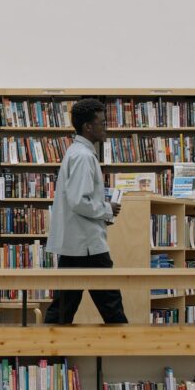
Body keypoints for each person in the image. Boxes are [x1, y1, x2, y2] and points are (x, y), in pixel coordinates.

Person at [43, 98, 128, 324]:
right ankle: (124, 354)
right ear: (88, 127)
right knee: (112, 308)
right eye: (102, 123)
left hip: (77, 243)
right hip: (88, 245)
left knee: (62, 309)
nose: (105, 127)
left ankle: (46, 354)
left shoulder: (76, 152)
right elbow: (79, 201)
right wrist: (107, 209)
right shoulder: (83, 156)